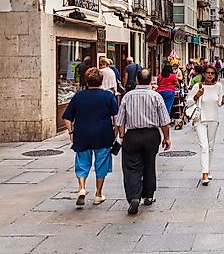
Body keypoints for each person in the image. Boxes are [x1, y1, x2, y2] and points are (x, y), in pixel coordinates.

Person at [116, 69, 171, 214]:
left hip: (132, 135)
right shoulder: (156, 96)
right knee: (149, 163)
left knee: (132, 167)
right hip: (151, 135)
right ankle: (148, 195)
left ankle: (134, 196)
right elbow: (164, 120)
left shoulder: (128, 96)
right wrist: (166, 138)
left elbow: (120, 120)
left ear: (137, 80)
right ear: (149, 81)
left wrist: (122, 136)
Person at [62, 67, 119, 207]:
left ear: (87, 81)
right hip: (103, 134)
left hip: (82, 134)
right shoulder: (108, 96)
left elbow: (67, 117)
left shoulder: (79, 96)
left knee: (82, 162)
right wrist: (116, 132)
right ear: (101, 80)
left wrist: (71, 132)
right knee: (102, 163)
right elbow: (117, 118)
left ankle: (81, 188)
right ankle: (98, 194)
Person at [188, 63, 224, 186]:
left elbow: (219, 102)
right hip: (200, 119)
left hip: (213, 119)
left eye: (212, 73)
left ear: (215, 75)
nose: (210, 75)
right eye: (208, 73)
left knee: (210, 146)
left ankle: (208, 169)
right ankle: (204, 173)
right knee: (204, 146)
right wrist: (197, 95)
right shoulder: (198, 86)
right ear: (204, 74)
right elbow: (189, 101)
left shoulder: (218, 86)